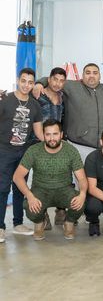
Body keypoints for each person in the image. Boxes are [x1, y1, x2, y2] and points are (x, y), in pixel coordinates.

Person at [12, 120, 87, 241]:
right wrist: (30, 196)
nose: (52, 138)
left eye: (55, 134)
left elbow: (82, 178)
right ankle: (40, 221)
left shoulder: (71, 150)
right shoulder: (34, 150)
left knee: (81, 202)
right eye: (48, 134)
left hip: (64, 190)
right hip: (41, 190)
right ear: (43, 135)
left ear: (61, 134)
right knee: (29, 206)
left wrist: (82, 194)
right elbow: (17, 177)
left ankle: (68, 223)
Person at [34, 63, 103, 160]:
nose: (91, 75)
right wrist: (39, 83)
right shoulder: (71, 86)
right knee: (80, 174)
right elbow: (52, 79)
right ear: (82, 75)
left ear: (100, 75)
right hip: (79, 145)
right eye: (88, 73)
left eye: (95, 73)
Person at [0, 68, 43, 240]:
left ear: (34, 84)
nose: (26, 85)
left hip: (23, 152)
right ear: (18, 80)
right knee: (2, 188)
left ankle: (18, 223)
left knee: (20, 188)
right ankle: (0, 226)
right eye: (23, 81)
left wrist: (55, 141)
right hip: (4, 151)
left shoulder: (35, 105)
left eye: (30, 82)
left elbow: (39, 132)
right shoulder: (5, 100)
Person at [35, 67, 68, 227]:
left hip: (58, 144)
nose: (58, 83)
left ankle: (61, 210)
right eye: (55, 79)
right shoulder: (37, 94)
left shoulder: (63, 97)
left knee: (61, 176)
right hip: (39, 143)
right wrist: (38, 83)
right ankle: (43, 214)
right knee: (41, 180)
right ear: (49, 79)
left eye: (61, 80)